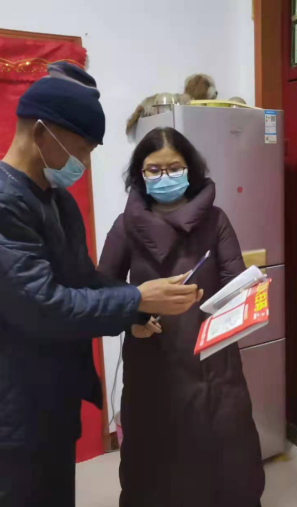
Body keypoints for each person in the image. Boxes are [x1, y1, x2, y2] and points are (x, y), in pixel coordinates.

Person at [0, 63, 202, 507]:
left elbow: (84, 279)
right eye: (81, 149)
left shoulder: (58, 201)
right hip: (17, 406)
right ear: (41, 132)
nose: (85, 163)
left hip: (57, 395)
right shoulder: (5, 202)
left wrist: (140, 307)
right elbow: (43, 306)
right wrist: (135, 298)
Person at [98, 127, 264, 507]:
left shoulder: (215, 220)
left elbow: (236, 281)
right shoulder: (126, 226)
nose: (164, 177)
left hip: (212, 357)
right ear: (140, 174)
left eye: (174, 168)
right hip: (151, 358)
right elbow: (102, 290)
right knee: (155, 460)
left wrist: (248, 295)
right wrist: (133, 318)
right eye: (153, 170)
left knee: (225, 456)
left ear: (190, 169)